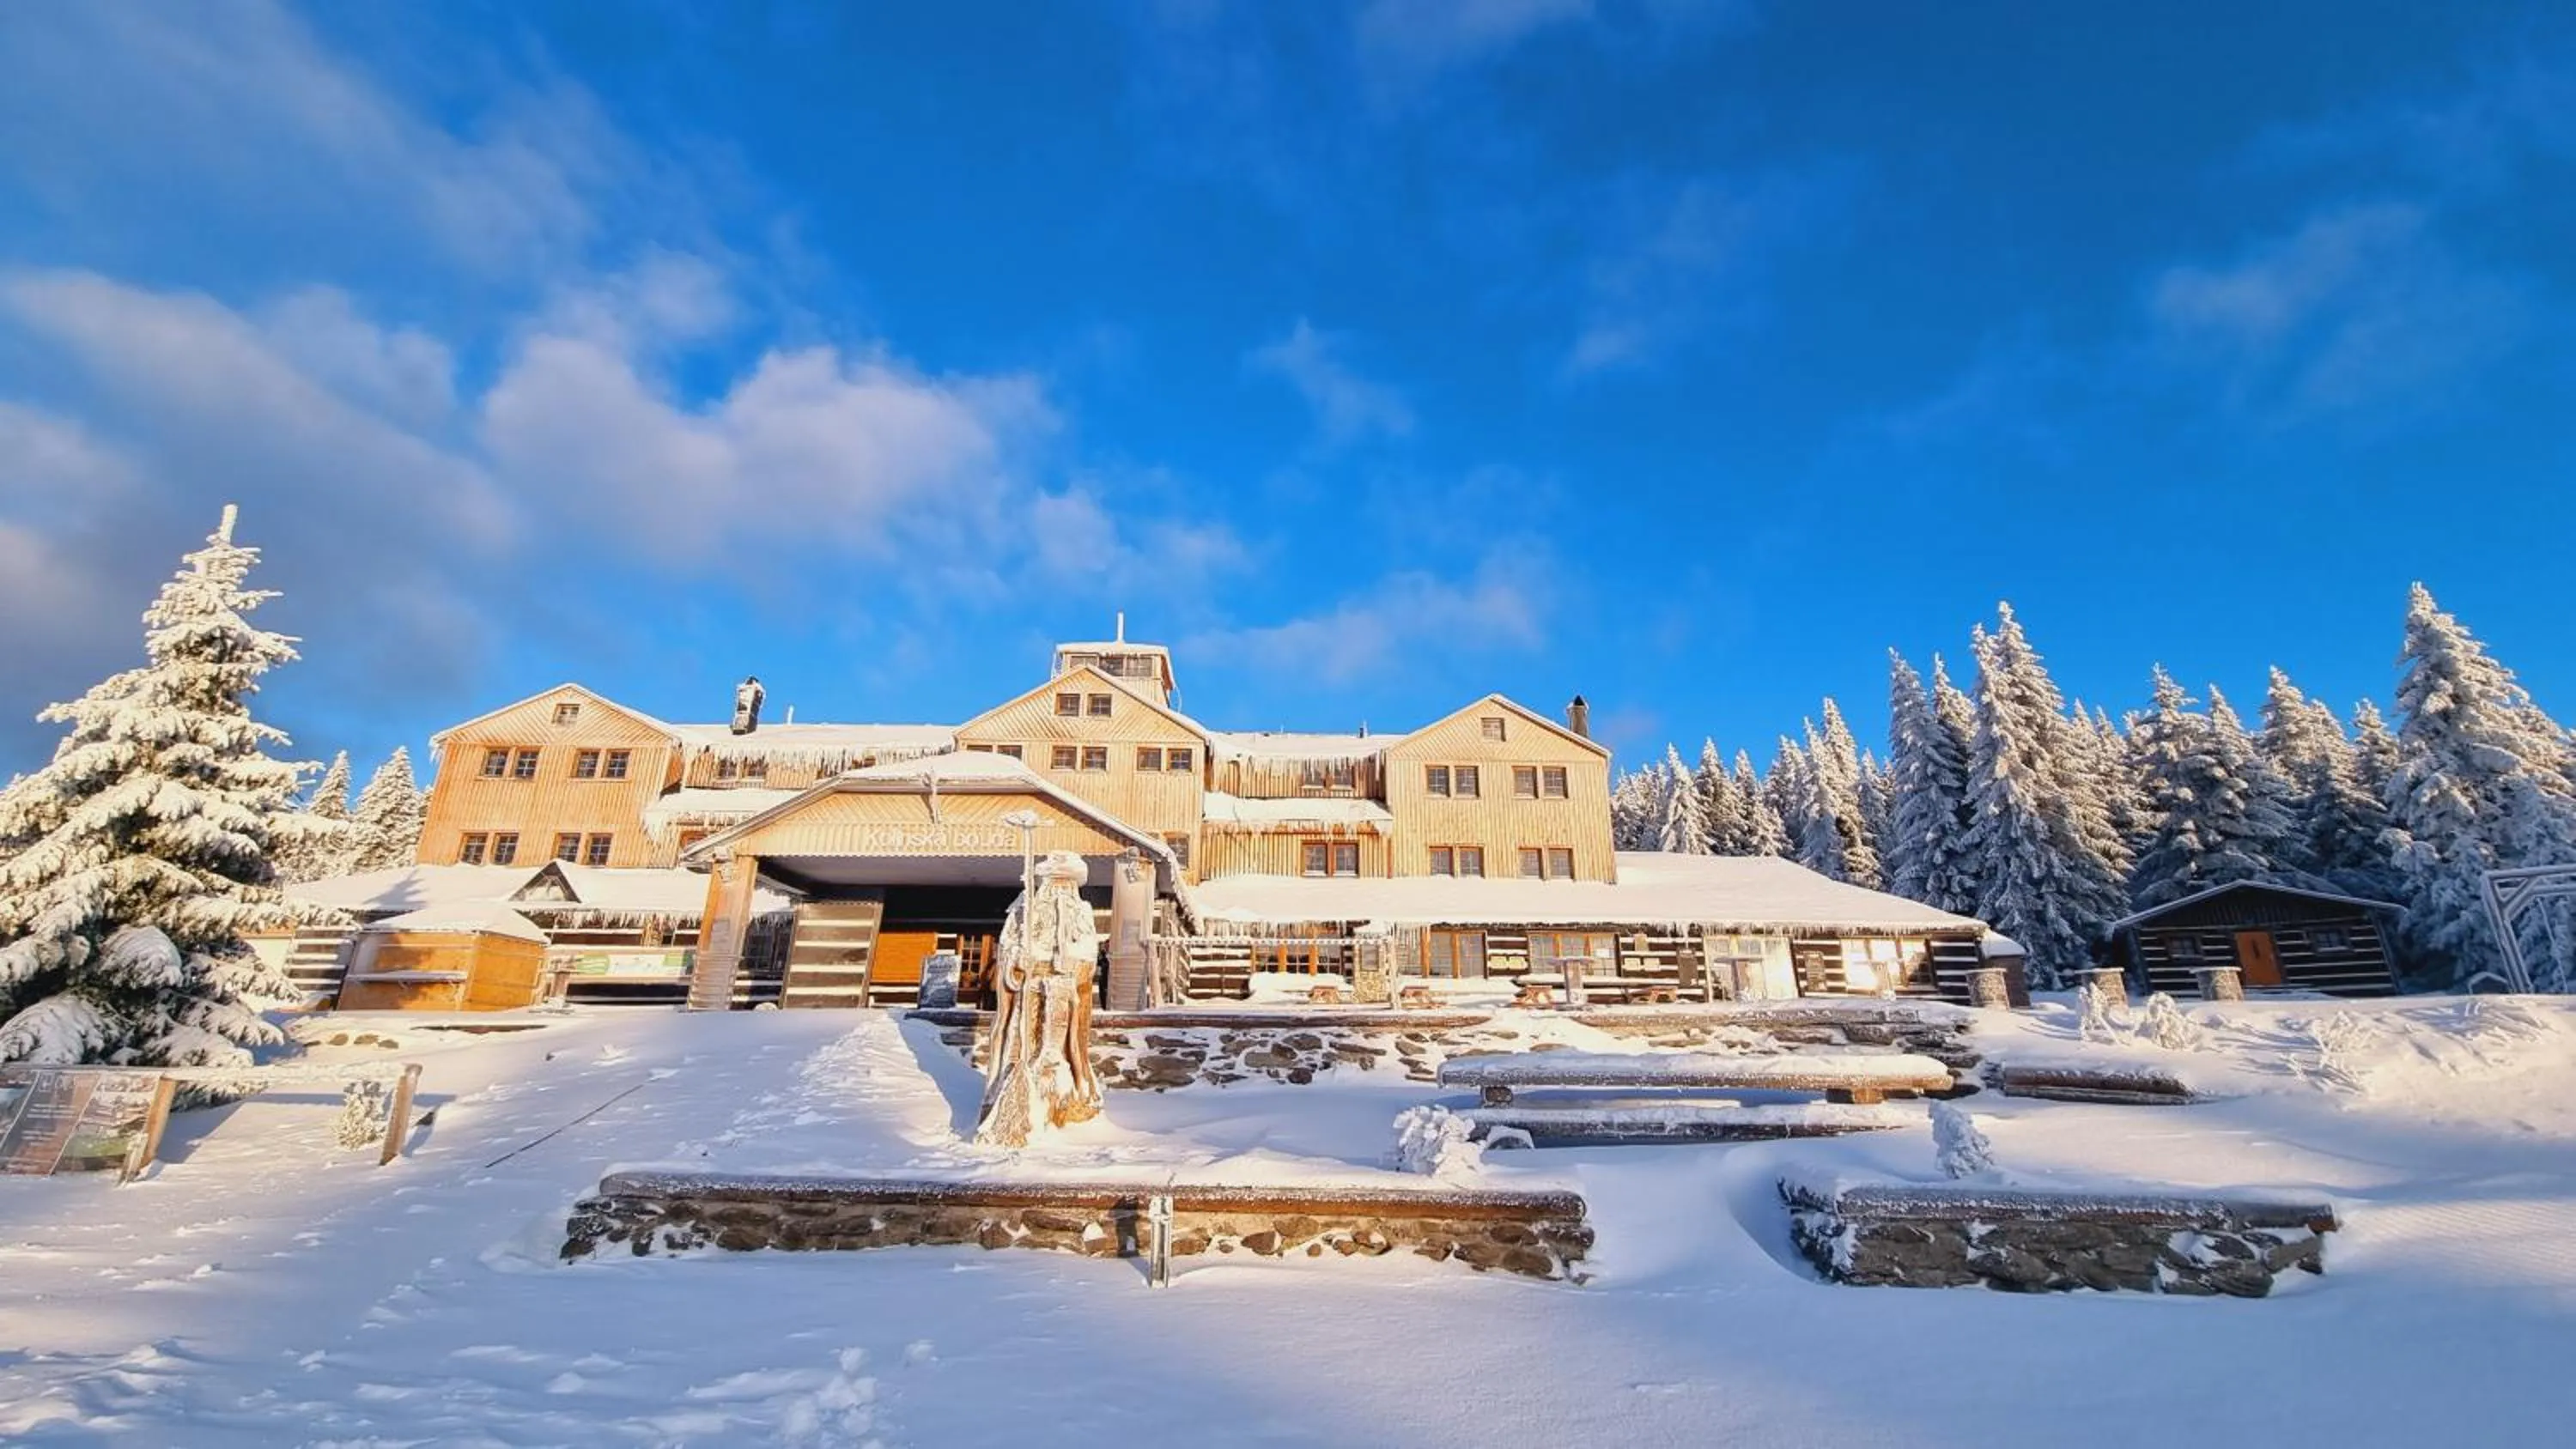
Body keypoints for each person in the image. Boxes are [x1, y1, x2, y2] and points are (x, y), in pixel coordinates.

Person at [975, 851, 1103, 1147]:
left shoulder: (1082, 913)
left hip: (1062, 992)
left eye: (1065, 883)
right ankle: (1013, 1098)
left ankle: (1058, 1092)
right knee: (1019, 1042)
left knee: (1055, 1046)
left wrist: (1074, 966)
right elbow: (1008, 950)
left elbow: (1088, 955)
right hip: (1028, 994)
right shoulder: (1024, 910)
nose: (1059, 889)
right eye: (1054, 882)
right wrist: (1017, 960)